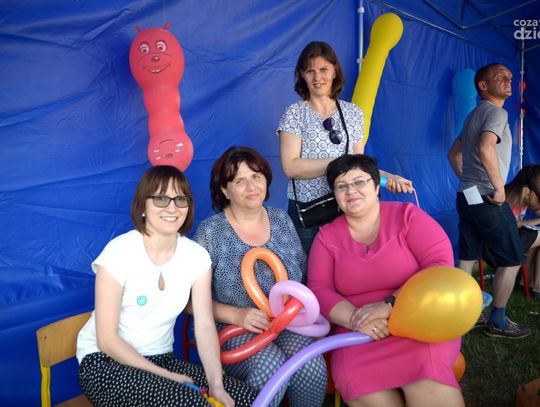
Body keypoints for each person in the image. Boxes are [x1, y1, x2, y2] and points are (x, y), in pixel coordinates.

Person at [76, 165, 255, 407]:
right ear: (143, 206)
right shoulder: (118, 252)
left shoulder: (197, 257)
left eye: (180, 199)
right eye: (161, 198)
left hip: (162, 359)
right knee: (192, 403)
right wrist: (167, 377)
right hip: (105, 363)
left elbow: (204, 325)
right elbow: (107, 340)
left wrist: (216, 384)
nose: (172, 208)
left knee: (246, 398)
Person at [308, 154, 464, 407]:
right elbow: (319, 289)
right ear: (335, 194)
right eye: (341, 186)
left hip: (418, 319)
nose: (351, 191)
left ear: (376, 185)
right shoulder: (326, 237)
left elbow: (439, 267)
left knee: (425, 374)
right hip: (359, 328)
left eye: (359, 182)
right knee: (353, 379)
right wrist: (356, 319)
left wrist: (390, 305)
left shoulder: (408, 217)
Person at [193, 146, 327, 407]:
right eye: (239, 181)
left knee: (311, 365)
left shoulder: (280, 219)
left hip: (285, 322)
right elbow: (189, 301)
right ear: (225, 190)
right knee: (269, 366)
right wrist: (237, 315)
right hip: (232, 326)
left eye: (256, 176)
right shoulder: (210, 231)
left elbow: (301, 278)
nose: (251, 186)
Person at [277, 40, 413, 254]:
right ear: (302, 75)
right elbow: (291, 167)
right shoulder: (294, 113)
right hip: (308, 212)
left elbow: (358, 165)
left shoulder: (353, 113)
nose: (317, 77)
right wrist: (338, 163)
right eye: (310, 71)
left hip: (347, 206)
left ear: (334, 71)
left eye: (323, 70)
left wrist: (390, 178)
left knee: (347, 267)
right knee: (307, 269)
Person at [447, 62, 530, 338]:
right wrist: (498, 188)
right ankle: (498, 322)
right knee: (513, 258)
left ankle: (461, 316)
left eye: (509, 76)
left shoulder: (473, 115)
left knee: (467, 256)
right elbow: (485, 147)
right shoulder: (496, 112)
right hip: (487, 198)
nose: (508, 80)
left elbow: (453, 154)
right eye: (500, 77)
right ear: (483, 86)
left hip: (467, 195)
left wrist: (469, 181)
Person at [484, 164, 540, 297]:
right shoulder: (502, 197)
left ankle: (529, 284)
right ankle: (535, 286)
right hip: (495, 248)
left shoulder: (522, 199)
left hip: (509, 240)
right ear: (527, 190)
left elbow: (516, 224)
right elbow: (505, 228)